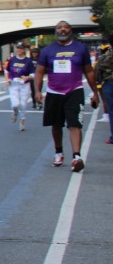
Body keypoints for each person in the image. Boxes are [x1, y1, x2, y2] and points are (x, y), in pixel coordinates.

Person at [34, 21, 100, 172]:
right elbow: (39, 72)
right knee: (56, 125)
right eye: (59, 28)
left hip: (74, 91)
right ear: (55, 31)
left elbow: (89, 71)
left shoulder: (80, 48)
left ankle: (76, 157)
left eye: (66, 27)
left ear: (71, 30)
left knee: (74, 124)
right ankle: (58, 152)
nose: (62, 30)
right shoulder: (47, 50)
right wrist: (37, 91)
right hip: (54, 92)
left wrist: (95, 93)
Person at [5, 42, 34, 132]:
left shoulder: (28, 61)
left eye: (21, 48)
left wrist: (27, 77)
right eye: (17, 48)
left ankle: (22, 121)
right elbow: (7, 70)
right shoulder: (12, 60)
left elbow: (33, 74)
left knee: (23, 104)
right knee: (15, 104)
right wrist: (7, 79)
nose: (19, 50)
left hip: (24, 84)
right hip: (14, 84)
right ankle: (15, 112)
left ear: (24, 50)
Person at [95, 42, 113, 143]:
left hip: (109, 84)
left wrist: (99, 82)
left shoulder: (104, 57)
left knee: (112, 111)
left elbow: (97, 72)